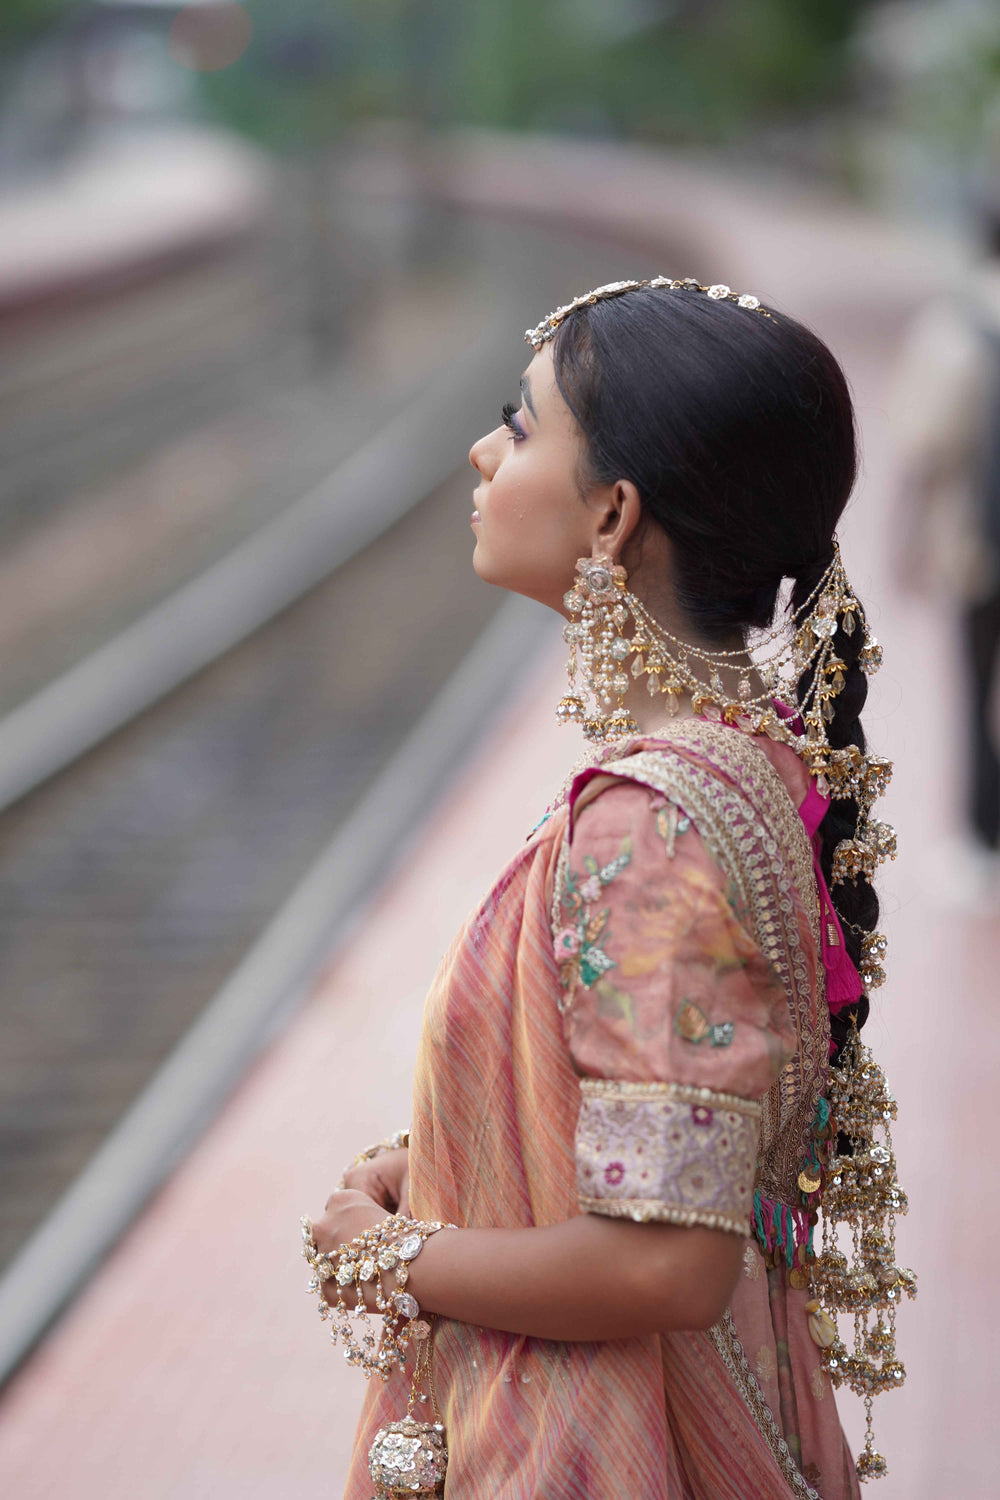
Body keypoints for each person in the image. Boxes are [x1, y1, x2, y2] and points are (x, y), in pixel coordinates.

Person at [303, 277, 906, 1499]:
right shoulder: (743, 762)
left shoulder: (646, 830)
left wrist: (397, 1256)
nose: (483, 451)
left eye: (521, 428)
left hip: (603, 1454)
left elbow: (667, 1265)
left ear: (613, 515)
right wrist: (448, 1159)